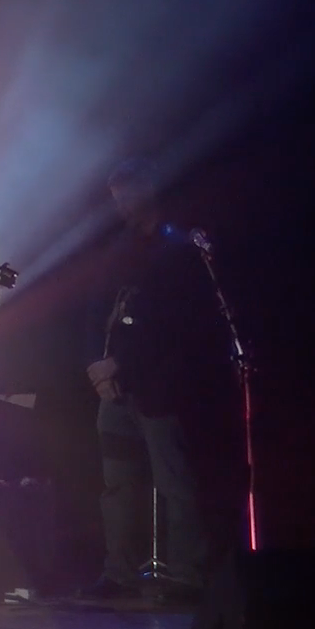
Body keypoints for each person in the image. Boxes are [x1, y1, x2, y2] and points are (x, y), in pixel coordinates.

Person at [80, 160, 237, 603]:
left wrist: (119, 364)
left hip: (157, 388)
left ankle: (188, 575)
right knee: (117, 485)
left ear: (149, 189)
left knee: (174, 484)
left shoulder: (179, 248)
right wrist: (95, 366)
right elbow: (94, 310)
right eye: (116, 196)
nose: (122, 204)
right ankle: (119, 572)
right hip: (114, 391)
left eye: (128, 193)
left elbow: (177, 325)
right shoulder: (118, 248)